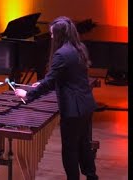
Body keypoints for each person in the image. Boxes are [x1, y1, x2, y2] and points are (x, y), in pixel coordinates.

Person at [14, 16, 98, 180]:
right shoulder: (79, 48)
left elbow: (51, 81)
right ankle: (92, 176)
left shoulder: (61, 54)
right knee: (84, 145)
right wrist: (41, 83)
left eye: (52, 35)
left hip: (72, 109)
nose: (51, 37)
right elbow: (64, 77)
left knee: (70, 149)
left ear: (59, 35)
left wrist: (28, 94)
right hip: (86, 104)